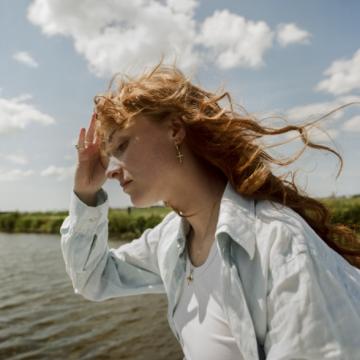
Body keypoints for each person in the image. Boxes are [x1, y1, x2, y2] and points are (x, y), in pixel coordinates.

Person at [60, 62, 360, 360]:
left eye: (122, 145)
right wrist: (85, 194)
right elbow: (93, 278)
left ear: (175, 130)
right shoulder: (170, 239)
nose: (110, 171)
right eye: (109, 156)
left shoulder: (279, 243)